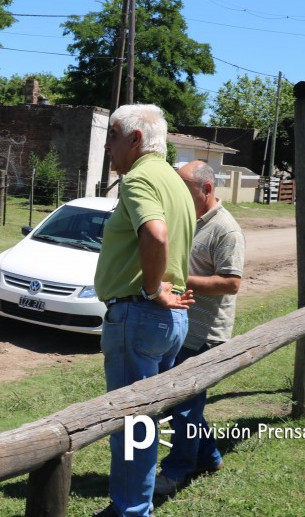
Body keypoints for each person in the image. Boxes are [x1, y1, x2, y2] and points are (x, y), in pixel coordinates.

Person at [93, 104, 196, 517]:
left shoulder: (138, 180)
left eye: (113, 136)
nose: (107, 145)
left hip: (139, 314)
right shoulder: (172, 179)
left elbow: (156, 235)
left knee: (131, 422)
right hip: (170, 320)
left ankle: (132, 511)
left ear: (136, 139)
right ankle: (135, 504)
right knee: (147, 419)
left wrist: (152, 288)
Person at [153, 160, 245, 495]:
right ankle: (210, 457)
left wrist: (177, 277)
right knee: (185, 404)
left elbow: (231, 283)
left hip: (205, 334)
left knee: (184, 406)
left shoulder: (226, 230)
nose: (177, 193)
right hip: (182, 328)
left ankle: (177, 471)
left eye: (185, 187)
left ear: (206, 189)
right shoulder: (188, 217)